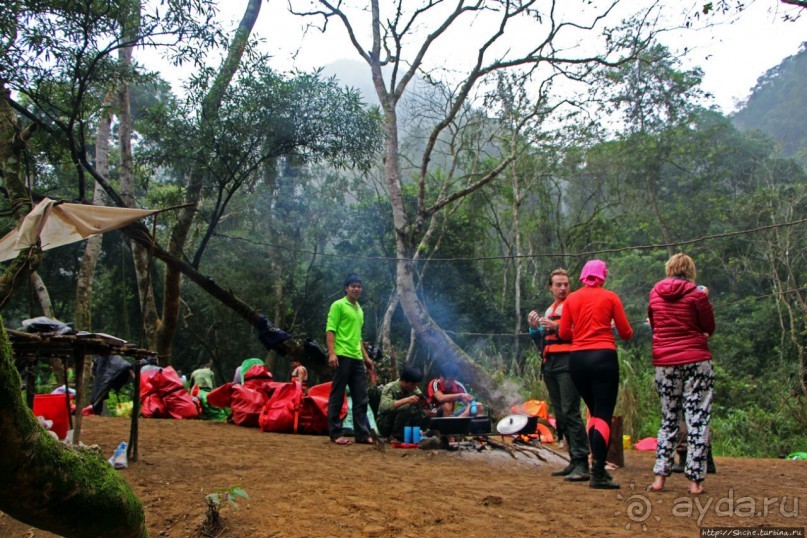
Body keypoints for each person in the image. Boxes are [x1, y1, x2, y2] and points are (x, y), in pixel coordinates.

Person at [558, 259, 633, 489]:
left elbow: (563, 333)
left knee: (593, 411)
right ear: (603, 276)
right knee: (603, 413)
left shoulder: (571, 299)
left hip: (577, 359)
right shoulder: (610, 297)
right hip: (603, 357)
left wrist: (581, 332)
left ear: (582, 276)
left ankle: (597, 469)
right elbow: (626, 332)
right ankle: (598, 472)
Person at [646, 253, 715, 495]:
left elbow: (655, 325)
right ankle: (695, 482)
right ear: (690, 271)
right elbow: (709, 327)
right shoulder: (697, 294)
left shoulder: (655, 293)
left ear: (669, 269)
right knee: (697, 418)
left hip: (665, 362)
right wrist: (705, 300)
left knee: (669, 418)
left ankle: (659, 478)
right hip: (697, 360)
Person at [528, 268, 590, 481]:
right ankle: (573, 461)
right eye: (558, 285)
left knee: (570, 410)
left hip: (569, 362)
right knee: (561, 415)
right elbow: (541, 341)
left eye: (566, 284)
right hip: (550, 364)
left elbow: (582, 333)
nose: (563, 288)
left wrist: (556, 327)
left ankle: (582, 461)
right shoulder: (549, 309)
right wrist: (534, 329)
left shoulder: (575, 305)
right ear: (550, 287)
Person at [326, 274, 375, 446]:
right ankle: (335, 433)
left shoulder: (359, 309)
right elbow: (330, 330)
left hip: (356, 357)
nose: (356, 289)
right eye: (353, 286)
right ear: (346, 288)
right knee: (338, 395)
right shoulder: (338, 305)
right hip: (341, 355)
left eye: (359, 286)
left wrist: (366, 358)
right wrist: (332, 353)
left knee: (361, 396)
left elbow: (359, 337)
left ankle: (362, 434)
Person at [376, 366, 435, 441]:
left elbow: (423, 403)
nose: (415, 387)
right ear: (404, 381)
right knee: (407, 406)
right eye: (413, 385)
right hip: (385, 424)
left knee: (419, 411)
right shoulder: (390, 388)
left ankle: (418, 433)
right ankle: (395, 436)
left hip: (403, 424)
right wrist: (407, 400)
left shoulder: (414, 389)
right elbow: (384, 406)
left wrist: (428, 411)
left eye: (416, 385)